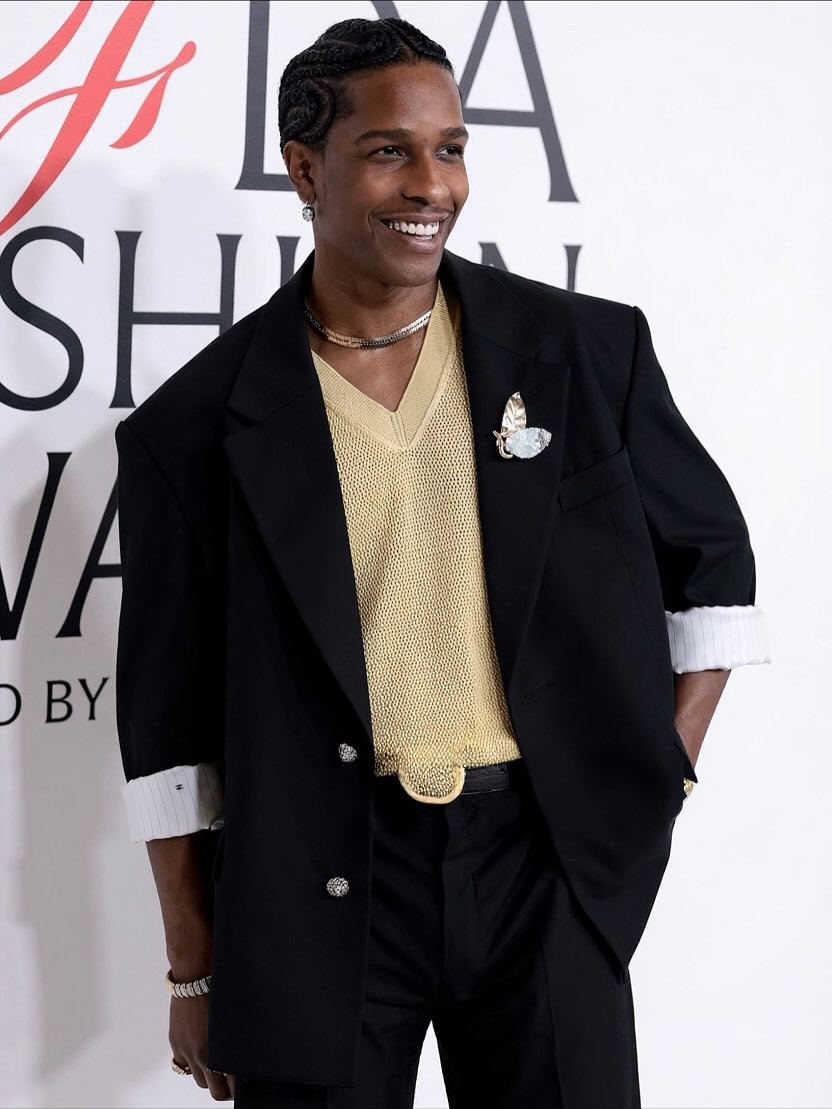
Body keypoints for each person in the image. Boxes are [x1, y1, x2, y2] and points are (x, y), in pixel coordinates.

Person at [115, 16, 769, 1109]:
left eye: (451, 148)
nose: (432, 184)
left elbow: (713, 566)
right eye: (389, 151)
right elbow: (167, 727)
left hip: (540, 867)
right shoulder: (193, 427)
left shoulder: (584, 352)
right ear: (304, 168)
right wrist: (194, 964)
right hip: (318, 885)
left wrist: (660, 772)